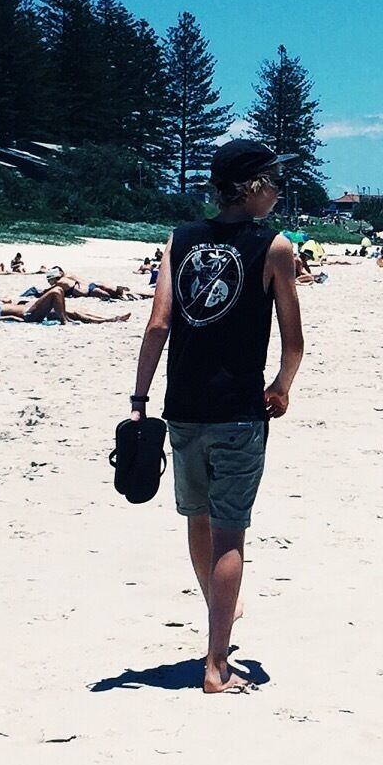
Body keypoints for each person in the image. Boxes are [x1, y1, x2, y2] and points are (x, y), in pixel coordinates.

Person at [129, 139, 305, 694]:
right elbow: (294, 341)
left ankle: (218, 618)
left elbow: (158, 326)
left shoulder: (179, 240)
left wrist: (139, 400)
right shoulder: (275, 248)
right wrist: (280, 386)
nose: (279, 190)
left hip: (182, 408)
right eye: (274, 181)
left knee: (198, 520)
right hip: (238, 413)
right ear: (252, 187)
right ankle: (215, 665)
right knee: (231, 534)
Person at [0, 286, 126, 324]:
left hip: (32, 308)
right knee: (56, 291)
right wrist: (12, 316)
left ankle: (109, 319)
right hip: (29, 314)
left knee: (75, 311)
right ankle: (64, 319)